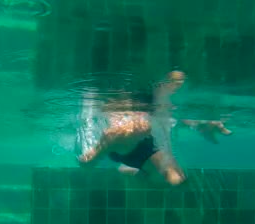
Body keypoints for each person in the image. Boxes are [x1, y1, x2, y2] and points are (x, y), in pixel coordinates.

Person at [76, 70, 232, 186]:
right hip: (129, 151)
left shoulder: (142, 126)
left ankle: (133, 171)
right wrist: (90, 157)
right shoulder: (116, 135)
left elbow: (171, 118)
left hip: (136, 154)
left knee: (171, 177)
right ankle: (134, 171)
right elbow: (88, 163)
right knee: (173, 178)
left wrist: (200, 124)